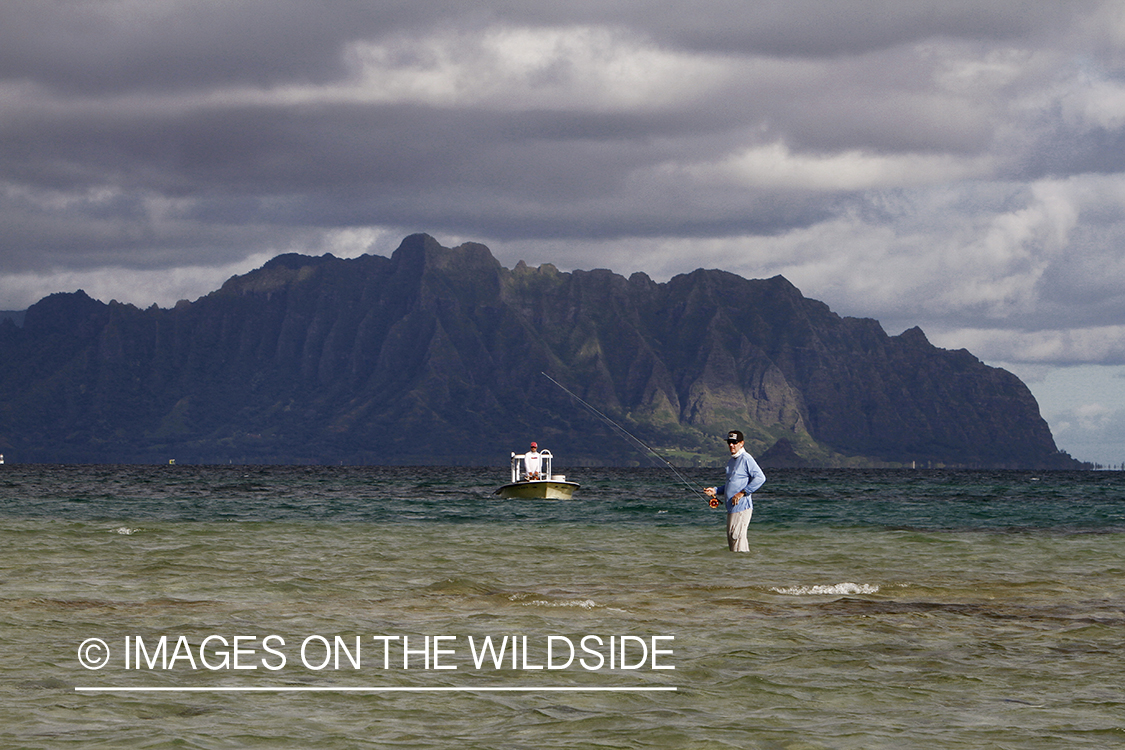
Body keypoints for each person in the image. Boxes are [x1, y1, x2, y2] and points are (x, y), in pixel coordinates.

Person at [703, 430, 766, 552]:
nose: (731, 445)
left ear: (741, 443)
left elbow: (760, 478)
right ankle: (735, 569)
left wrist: (743, 493)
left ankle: (742, 569)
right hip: (731, 509)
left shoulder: (746, 458)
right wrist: (715, 491)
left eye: (735, 442)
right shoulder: (731, 461)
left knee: (738, 543)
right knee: (733, 544)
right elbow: (730, 484)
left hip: (742, 508)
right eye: (729, 442)